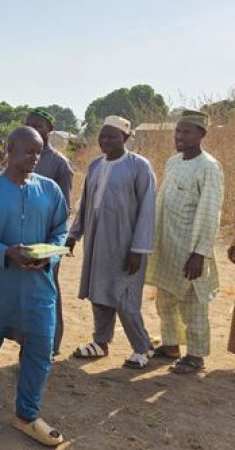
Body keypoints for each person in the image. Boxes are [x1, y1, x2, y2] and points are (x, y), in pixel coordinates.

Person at [0, 126, 68, 447]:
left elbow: (60, 230)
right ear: (9, 150)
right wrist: (6, 252)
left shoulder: (50, 191)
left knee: (40, 347)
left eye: (39, 151)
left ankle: (27, 414)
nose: (34, 158)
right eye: (28, 151)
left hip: (39, 286)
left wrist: (48, 255)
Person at [66, 116, 157, 369]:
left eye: (112, 136)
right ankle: (100, 342)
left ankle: (142, 347)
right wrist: (74, 234)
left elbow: (147, 210)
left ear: (125, 138)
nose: (105, 141)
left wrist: (138, 249)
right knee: (99, 292)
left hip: (126, 244)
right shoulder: (95, 166)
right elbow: (85, 204)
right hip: (96, 242)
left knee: (125, 297)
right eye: (102, 136)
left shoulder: (139, 166)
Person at [147, 109, 224, 375]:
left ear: (201, 135)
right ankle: (170, 345)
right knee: (165, 300)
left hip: (190, 249)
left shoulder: (209, 167)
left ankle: (196, 355)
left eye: (186, 132)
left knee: (193, 304)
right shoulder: (173, 162)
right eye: (177, 131)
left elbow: (209, 212)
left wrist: (199, 253)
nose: (180, 137)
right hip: (167, 244)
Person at [25, 108, 74, 356]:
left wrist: (50, 245)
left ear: (50, 130)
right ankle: (28, 341)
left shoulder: (59, 164)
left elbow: (64, 209)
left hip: (46, 239)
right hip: (21, 236)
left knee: (48, 289)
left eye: (39, 126)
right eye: (29, 124)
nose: (33, 129)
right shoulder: (18, 157)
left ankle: (51, 343)